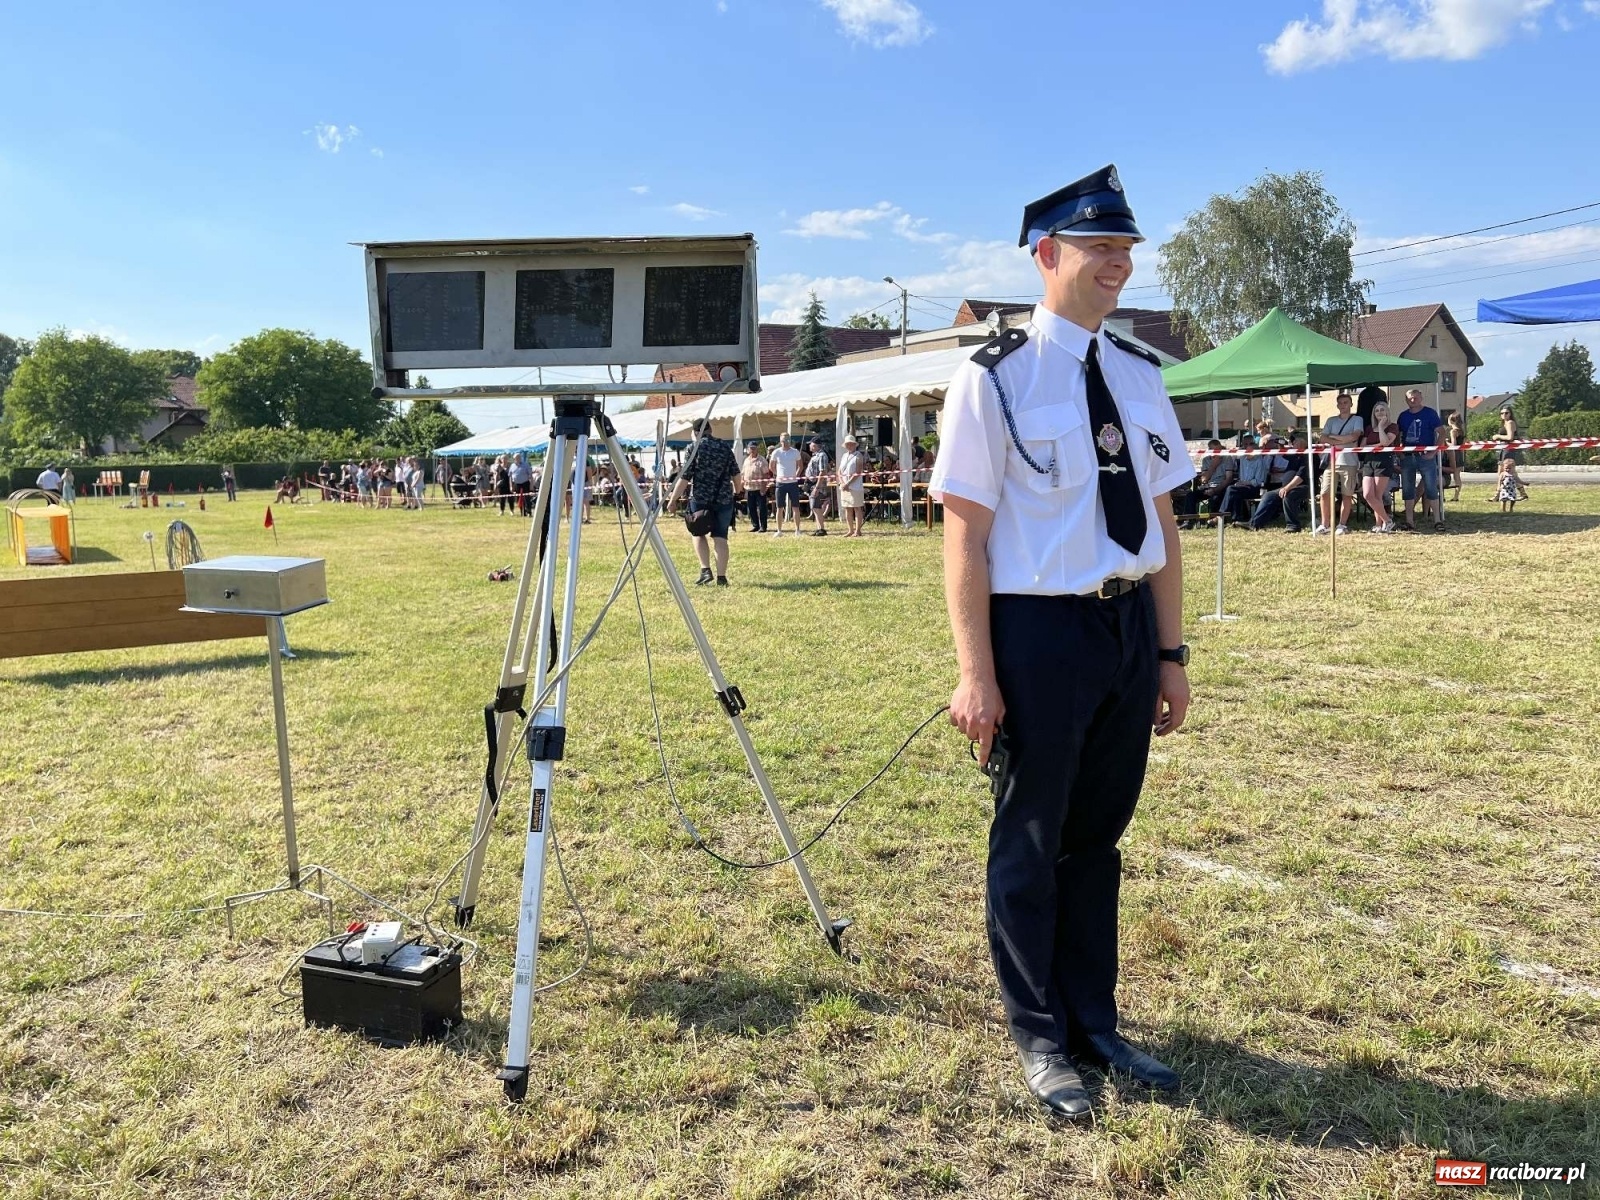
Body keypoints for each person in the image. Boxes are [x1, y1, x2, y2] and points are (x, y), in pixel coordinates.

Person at [931, 166, 1192, 1120]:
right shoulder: (994, 379)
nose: (1118, 265)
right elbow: (964, 530)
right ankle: (1040, 1037)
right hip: (1037, 629)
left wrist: (1170, 655)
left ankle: (1095, 1021)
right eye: (1099, 248)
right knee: (1032, 839)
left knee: (1098, 839)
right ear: (1048, 256)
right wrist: (976, 674)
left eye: (1126, 250)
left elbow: (1158, 521)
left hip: (1124, 627)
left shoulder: (1138, 373)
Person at [667, 417, 740, 586]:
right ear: (711, 430)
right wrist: (737, 491)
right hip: (723, 499)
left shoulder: (693, 448)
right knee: (720, 537)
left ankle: (705, 570)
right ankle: (722, 577)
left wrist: (672, 500)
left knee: (698, 533)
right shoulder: (724, 447)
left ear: (695, 433)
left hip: (700, 499)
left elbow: (684, 478)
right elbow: (736, 474)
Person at [1394, 388, 1445, 532]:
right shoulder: (1403, 416)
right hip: (1408, 457)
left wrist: (1434, 452)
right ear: (1406, 400)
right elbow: (1398, 435)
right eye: (1410, 398)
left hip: (1426, 456)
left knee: (1431, 488)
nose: (1413, 400)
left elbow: (1441, 433)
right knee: (1408, 489)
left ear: (1421, 397)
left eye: (1415, 397)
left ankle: (1437, 520)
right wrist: (1400, 453)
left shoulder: (1430, 413)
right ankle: (1409, 521)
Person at [1318, 392, 1363, 534]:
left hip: (1349, 461)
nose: (1343, 405)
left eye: (1345, 402)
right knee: (1325, 492)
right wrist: (1343, 440)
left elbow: (1355, 436)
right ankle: (1325, 524)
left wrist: (1333, 437)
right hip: (1331, 461)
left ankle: (1342, 524)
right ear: (1337, 405)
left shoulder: (1357, 419)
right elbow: (1323, 438)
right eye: (1340, 403)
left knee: (1347, 493)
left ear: (1351, 404)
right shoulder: (1331, 420)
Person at [1247, 433, 1312, 532]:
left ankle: (1293, 525)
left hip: (1302, 486)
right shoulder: (1295, 455)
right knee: (1269, 496)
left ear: (1303, 442)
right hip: (1288, 486)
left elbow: (1300, 477)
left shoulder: (1308, 456)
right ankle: (1255, 523)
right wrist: (1280, 445)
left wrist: (1287, 488)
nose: (1293, 443)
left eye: (1295, 441)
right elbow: (1284, 454)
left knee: (1288, 495)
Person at [1358, 399, 1399, 534]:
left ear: (1387, 411)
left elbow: (1386, 443)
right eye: (1377, 410)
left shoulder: (1392, 426)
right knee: (1368, 494)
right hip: (1369, 461)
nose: (1379, 412)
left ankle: (1379, 524)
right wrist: (1376, 446)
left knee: (1377, 495)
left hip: (1383, 461)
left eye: (1382, 410)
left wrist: (1381, 427)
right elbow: (1362, 447)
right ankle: (1388, 520)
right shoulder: (1369, 428)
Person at [1218, 433, 1268, 524]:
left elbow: (1258, 481)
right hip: (1242, 486)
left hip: (1254, 488)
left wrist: (1244, 483)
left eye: (1249, 451)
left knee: (1231, 489)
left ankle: (1221, 515)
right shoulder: (1242, 459)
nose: (1246, 453)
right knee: (1235, 493)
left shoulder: (1260, 462)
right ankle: (1236, 518)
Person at [770, 433, 803, 536]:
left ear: (790, 441)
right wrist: (777, 475)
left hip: (792, 483)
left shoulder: (795, 452)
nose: (785, 443)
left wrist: (795, 476)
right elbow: (771, 467)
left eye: (787, 440)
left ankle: (797, 530)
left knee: (795, 507)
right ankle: (779, 530)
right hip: (780, 483)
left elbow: (800, 466)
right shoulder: (776, 452)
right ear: (780, 441)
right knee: (779, 508)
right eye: (783, 441)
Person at [837, 434, 867, 536]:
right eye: (848, 444)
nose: (849, 446)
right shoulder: (844, 456)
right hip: (844, 486)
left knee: (857, 508)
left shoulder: (858, 455)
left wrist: (848, 483)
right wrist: (842, 483)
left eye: (851, 444)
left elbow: (858, 472)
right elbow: (839, 471)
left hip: (855, 486)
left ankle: (858, 530)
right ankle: (850, 530)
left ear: (855, 445)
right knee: (847, 508)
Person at [804, 436, 832, 536]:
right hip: (812, 483)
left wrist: (817, 487)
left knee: (816, 506)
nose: (809, 446)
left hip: (816, 484)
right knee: (815, 507)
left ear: (815, 445)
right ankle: (819, 528)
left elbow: (822, 472)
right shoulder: (816, 455)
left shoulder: (822, 456)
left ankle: (822, 529)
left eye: (811, 444)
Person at [742, 443, 772, 533]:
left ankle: (763, 527)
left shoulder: (762, 460)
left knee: (762, 508)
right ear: (748, 450)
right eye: (750, 448)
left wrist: (764, 487)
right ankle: (755, 525)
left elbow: (766, 474)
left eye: (754, 448)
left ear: (757, 449)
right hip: (749, 488)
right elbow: (743, 473)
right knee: (751, 508)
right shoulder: (746, 460)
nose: (752, 450)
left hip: (760, 488)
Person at [1443, 411, 1465, 501]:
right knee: (1457, 477)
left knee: (1444, 473)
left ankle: (1443, 496)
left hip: (1453, 455)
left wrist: (1445, 442)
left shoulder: (1453, 431)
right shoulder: (1462, 431)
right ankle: (1456, 496)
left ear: (1451, 421)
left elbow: (1453, 444)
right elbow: (1462, 445)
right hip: (1460, 454)